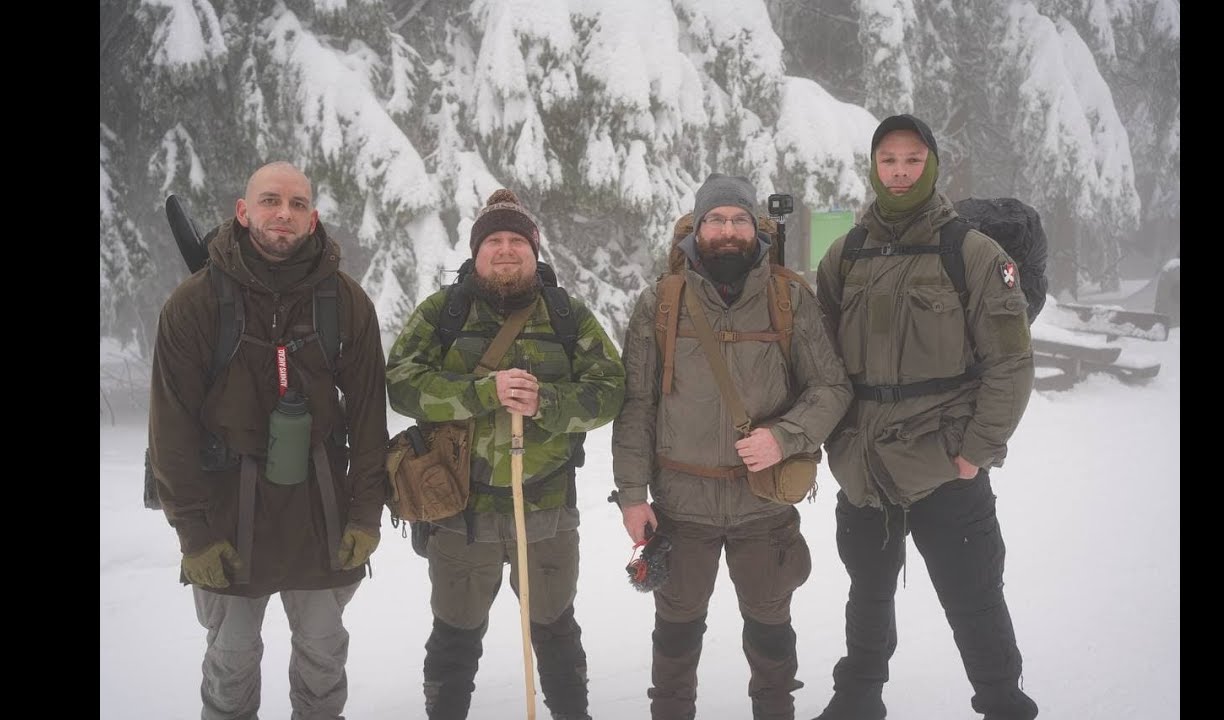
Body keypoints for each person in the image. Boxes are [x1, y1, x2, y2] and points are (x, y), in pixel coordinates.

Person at [811, 114, 1039, 720]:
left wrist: (975, 450)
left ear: (931, 165)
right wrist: (833, 440)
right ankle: (858, 696)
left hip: (945, 463)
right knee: (868, 592)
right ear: (874, 167)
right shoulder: (845, 253)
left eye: (913, 160)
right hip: (865, 467)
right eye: (889, 160)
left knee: (974, 597)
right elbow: (820, 358)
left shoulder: (972, 252)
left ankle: (1002, 701)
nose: (901, 172)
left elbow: (1011, 362)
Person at [148, 161, 389, 719]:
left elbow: (370, 420)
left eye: (297, 204)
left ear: (313, 218)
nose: (284, 213)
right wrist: (193, 533)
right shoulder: (195, 303)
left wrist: (366, 513)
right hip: (226, 510)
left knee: (324, 661)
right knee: (230, 665)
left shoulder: (346, 302)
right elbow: (171, 428)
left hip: (321, 508)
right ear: (243, 210)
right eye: (270, 201)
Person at [612, 173, 853, 720]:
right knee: (675, 635)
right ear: (697, 229)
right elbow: (636, 406)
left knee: (771, 635)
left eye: (738, 219)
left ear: (756, 228)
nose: (727, 230)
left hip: (763, 506)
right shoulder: (660, 302)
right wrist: (632, 495)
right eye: (715, 219)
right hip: (680, 507)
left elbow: (832, 388)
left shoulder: (788, 297)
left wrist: (784, 437)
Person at [385, 189, 625, 720]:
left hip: (546, 508)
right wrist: (478, 393)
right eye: (493, 239)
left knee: (556, 627)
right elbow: (399, 384)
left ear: (535, 251)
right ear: (475, 252)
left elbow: (610, 389)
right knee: (454, 634)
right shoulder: (443, 312)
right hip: (457, 510)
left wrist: (550, 401)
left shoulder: (566, 315)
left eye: (517, 239)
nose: (506, 248)